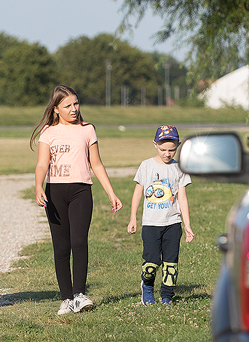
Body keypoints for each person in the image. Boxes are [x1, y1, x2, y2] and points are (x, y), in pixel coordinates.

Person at [32, 85, 122, 315]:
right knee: (61, 247)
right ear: (56, 109)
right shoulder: (48, 133)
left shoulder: (87, 129)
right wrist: (38, 186)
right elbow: (42, 164)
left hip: (81, 192)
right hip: (55, 193)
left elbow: (97, 164)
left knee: (79, 242)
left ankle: (80, 295)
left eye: (76, 103)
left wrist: (111, 192)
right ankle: (66, 299)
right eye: (67, 105)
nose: (74, 109)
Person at [127, 125, 194, 305]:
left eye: (172, 150)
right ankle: (147, 287)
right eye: (163, 149)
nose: (167, 154)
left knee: (171, 264)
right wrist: (133, 217)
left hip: (173, 223)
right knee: (151, 263)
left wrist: (187, 225)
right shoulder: (146, 166)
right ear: (155, 144)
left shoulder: (180, 168)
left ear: (178, 146)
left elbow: (183, 199)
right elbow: (137, 193)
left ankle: (166, 296)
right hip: (151, 224)